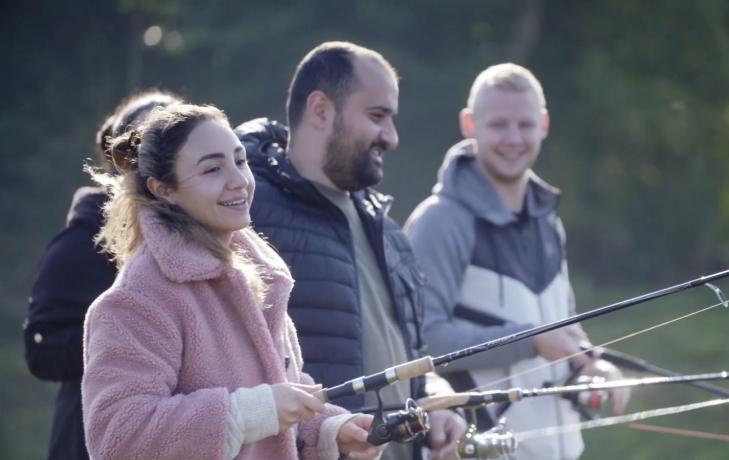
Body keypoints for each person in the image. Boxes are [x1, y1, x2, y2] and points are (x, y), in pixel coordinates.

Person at [81, 103, 380, 460]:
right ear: (163, 189)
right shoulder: (137, 299)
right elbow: (119, 436)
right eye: (212, 169)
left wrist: (331, 431)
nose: (239, 180)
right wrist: (252, 411)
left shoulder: (261, 275)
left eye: (240, 160)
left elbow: (279, 399)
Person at [236, 41, 465, 460]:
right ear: (321, 109)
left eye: (392, 119)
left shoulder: (389, 232)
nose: (391, 137)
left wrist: (437, 399)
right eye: (377, 116)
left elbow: (412, 360)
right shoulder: (246, 214)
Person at [405, 63, 631, 460]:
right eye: (498, 125)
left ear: (543, 124)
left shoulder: (548, 221)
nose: (513, 138)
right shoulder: (438, 221)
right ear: (469, 124)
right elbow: (420, 343)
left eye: (525, 125)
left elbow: (565, 322)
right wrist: (531, 340)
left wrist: (593, 364)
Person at [23, 89, 180, 460]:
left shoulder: (197, 241)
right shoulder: (83, 240)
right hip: (87, 440)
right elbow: (41, 350)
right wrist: (125, 338)